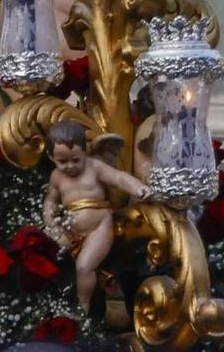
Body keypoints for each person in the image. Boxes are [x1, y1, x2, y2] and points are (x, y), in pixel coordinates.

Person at [42, 119, 149, 313]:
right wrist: (52, 224)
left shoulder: (94, 167)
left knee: (84, 267)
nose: (70, 166)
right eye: (62, 162)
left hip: (98, 227)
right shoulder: (56, 177)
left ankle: (84, 307)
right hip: (71, 231)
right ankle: (57, 302)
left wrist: (138, 187)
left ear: (85, 151)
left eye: (76, 159)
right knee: (48, 257)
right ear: (51, 156)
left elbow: (118, 178)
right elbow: (50, 202)